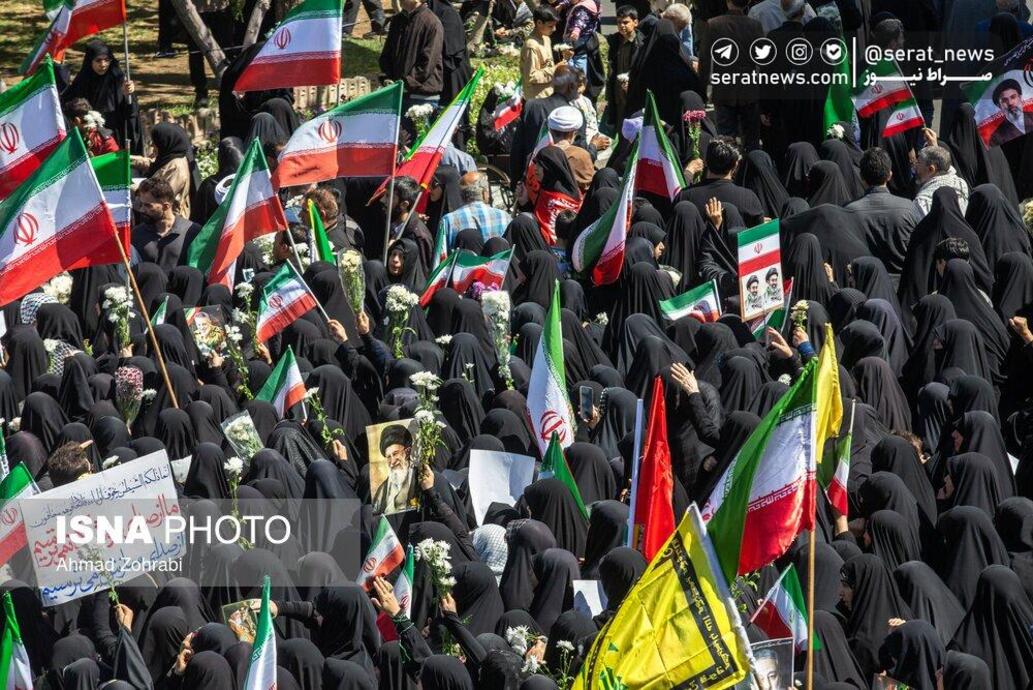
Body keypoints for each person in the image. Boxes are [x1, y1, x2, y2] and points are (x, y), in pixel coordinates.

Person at [697, 0, 765, 150]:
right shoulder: (755, 25)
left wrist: (702, 89)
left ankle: (727, 164)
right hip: (749, 89)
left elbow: (705, 60)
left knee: (725, 141)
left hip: (724, 89)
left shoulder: (713, 24)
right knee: (752, 140)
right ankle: (753, 163)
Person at [847, 147, 919, 274]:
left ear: (861, 176)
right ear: (890, 175)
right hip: (901, 280)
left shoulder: (849, 211)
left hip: (865, 280)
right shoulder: (908, 207)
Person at [62, 40, 141, 153]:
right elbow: (68, 105)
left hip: (115, 135)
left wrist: (129, 95)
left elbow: (131, 112)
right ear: (90, 61)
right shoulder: (82, 81)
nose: (103, 64)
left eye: (107, 60)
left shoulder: (118, 79)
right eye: (98, 60)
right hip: (90, 136)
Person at [380, 0, 444, 139]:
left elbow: (427, 63)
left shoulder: (432, 22)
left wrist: (405, 83)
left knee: (418, 146)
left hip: (421, 98)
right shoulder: (398, 20)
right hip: (399, 94)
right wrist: (388, 77)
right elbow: (387, 54)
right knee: (399, 144)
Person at [679, 138, 767, 226]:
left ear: (705, 162)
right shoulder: (748, 198)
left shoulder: (685, 196)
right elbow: (758, 231)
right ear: (735, 165)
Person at [131, 177, 202, 272]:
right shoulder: (136, 234)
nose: (142, 210)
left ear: (166, 206)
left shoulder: (192, 232)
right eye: (141, 204)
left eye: (148, 206)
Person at [438, 172, 513, 249]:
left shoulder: (449, 220)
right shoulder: (504, 217)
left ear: (461, 195)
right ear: (484, 193)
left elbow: (441, 253)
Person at [604, 6, 643, 132]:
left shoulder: (641, 44)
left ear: (635, 22)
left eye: (625, 22)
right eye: (619, 22)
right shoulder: (615, 41)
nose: (622, 26)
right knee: (620, 128)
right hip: (617, 93)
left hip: (633, 94)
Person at [912, 140, 971, 217]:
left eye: (918, 163)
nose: (915, 167)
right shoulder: (961, 183)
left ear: (931, 169)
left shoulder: (922, 202)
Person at [521, 6, 564, 100]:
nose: (554, 29)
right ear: (539, 23)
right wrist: (555, 69)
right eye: (550, 26)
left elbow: (548, 65)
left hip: (549, 93)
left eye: (555, 25)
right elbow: (531, 76)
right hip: (537, 98)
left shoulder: (546, 39)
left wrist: (566, 58)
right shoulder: (531, 45)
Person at [373, 424, 417, 513]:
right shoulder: (382, 490)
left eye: (395, 454)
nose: (392, 461)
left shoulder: (421, 478)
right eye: (388, 457)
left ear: (407, 452)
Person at [987, 79, 1033, 146]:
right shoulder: (996, 138)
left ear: (1020, 98)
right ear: (999, 106)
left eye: (1013, 97)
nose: (1010, 103)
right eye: (1004, 100)